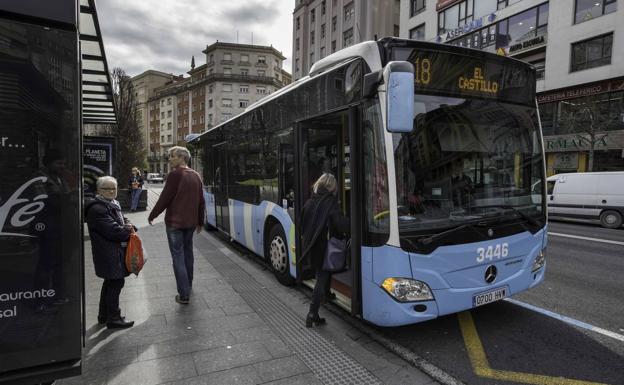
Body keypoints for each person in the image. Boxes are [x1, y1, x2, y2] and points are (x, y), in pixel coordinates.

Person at [148, 146, 205, 305]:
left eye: (172, 156)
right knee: (188, 254)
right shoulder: (196, 175)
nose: (169, 159)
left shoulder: (175, 175)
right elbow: (201, 201)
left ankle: (184, 294)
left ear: (182, 157)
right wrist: (200, 221)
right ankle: (188, 285)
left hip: (175, 223)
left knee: (178, 257)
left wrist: (153, 215)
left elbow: (164, 199)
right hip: (190, 223)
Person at [300, 173, 349, 328]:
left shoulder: (309, 202)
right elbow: (341, 225)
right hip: (324, 248)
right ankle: (312, 313)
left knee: (323, 274)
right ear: (331, 186)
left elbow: (302, 226)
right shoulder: (330, 203)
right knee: (321, 278)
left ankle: (325, 296)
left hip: (312, 247)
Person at [85, 176, 135, 329]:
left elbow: (122, 220)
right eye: (107, 189)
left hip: (113, 251)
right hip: (108, 253)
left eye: (114, 188)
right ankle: (114, 318)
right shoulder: (98, 209)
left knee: (110, 282)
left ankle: (104, 315)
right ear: (99, 190)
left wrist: (128, 225)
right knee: (116, 282)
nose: (111, 191)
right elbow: (114, 232)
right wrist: (129, 230)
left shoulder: (112, 203)